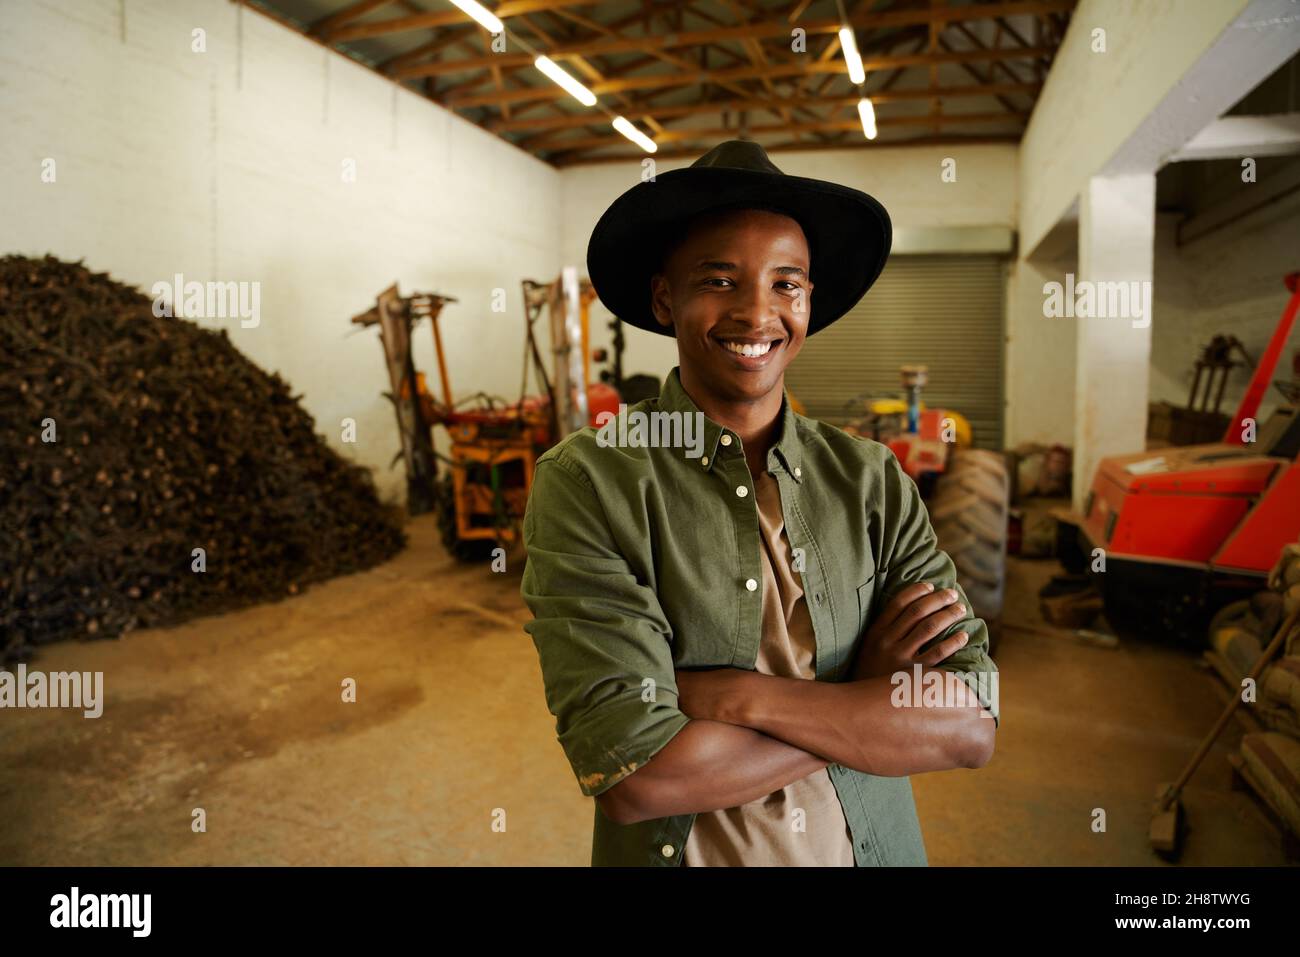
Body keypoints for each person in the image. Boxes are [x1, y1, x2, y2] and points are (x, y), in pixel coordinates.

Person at [520, 140, 999, 867]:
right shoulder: (592, 484)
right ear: (663, 298)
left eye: (788, 284)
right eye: (720, 279)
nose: (757, 313)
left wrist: (739, 697)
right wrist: (863, 699)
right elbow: (638, 774)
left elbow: (967, 726)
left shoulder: (873, 481)